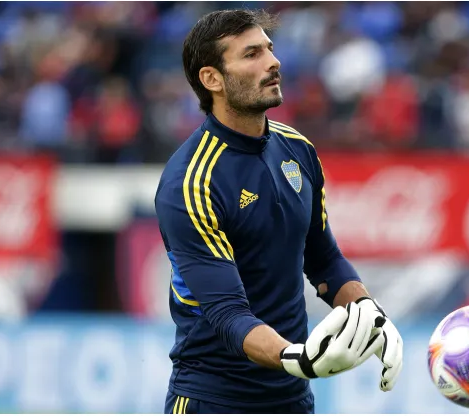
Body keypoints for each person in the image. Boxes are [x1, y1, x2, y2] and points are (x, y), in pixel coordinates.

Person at [154, 8, 403, 414]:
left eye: (270, 49)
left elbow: (323, 258)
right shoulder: (191, 182)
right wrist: (296, 358)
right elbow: (227, 313)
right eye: (251, 55)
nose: (274, 62)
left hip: (291, 400)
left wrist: (369, 313)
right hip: (213, 399)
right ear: (212, 79)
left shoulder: (298, 149)